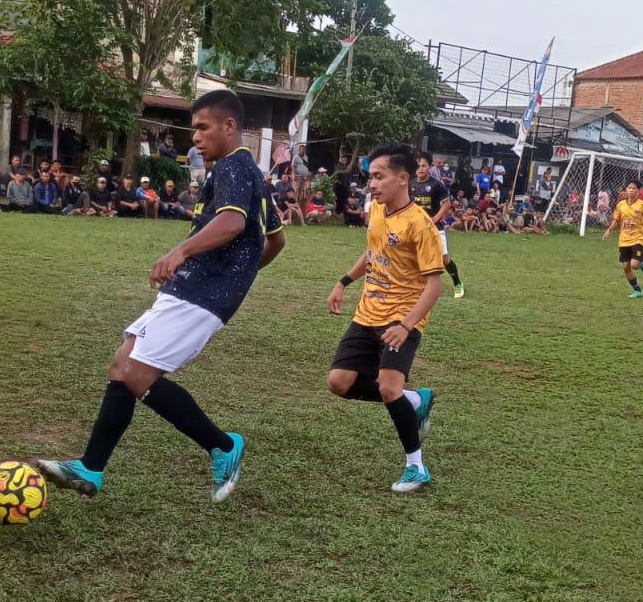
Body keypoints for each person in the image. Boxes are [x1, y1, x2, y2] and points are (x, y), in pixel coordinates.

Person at [36, 89, 286, 503]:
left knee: (137, 373)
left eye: (204, 128)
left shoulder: (233, 169)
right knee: (122, 364)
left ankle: (223, 446)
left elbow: (232, 225)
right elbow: (275, 241)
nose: (196, 138)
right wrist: (240, 274)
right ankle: (92, 468)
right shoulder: (250, 176)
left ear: (230, 127)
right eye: (194, 129)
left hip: (202, 292)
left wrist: (186, 252)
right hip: (197, 287)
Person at [326, 143, 443, 494]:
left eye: (379, 176)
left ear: (403, 178)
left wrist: (406, 325)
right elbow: (373, 251)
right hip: (367, 313)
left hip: (401, 319)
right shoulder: (377, 210)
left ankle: (416, 467)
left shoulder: (421, 226)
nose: (371, 184)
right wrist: (344, 281)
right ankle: (415, 400)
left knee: (389, 388)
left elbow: (434, 287)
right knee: (339, 383)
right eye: (370, 177)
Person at [412, 152, 465, 299]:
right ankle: (417, 286)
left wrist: (434, 219)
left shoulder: (436, 184)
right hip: (416, 228)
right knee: (414, 257)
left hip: (435, 228)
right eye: (418, 166)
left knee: (444, 258)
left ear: (429, 167)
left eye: (423, 166)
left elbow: (447, 204)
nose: (420, 169)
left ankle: (457, 283)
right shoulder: (410, 183)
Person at [602, 180, 643, 299]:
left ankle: (641, 263)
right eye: (629, 188)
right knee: (626, 267)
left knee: (634, 265)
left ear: (638, 191)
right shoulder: (621, 205)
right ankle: (638, 291)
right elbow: (616, 219)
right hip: (624, 239)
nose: (631, 190)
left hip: (638, 238)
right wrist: (609, 230)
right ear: (626, 190)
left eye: (634, 188)